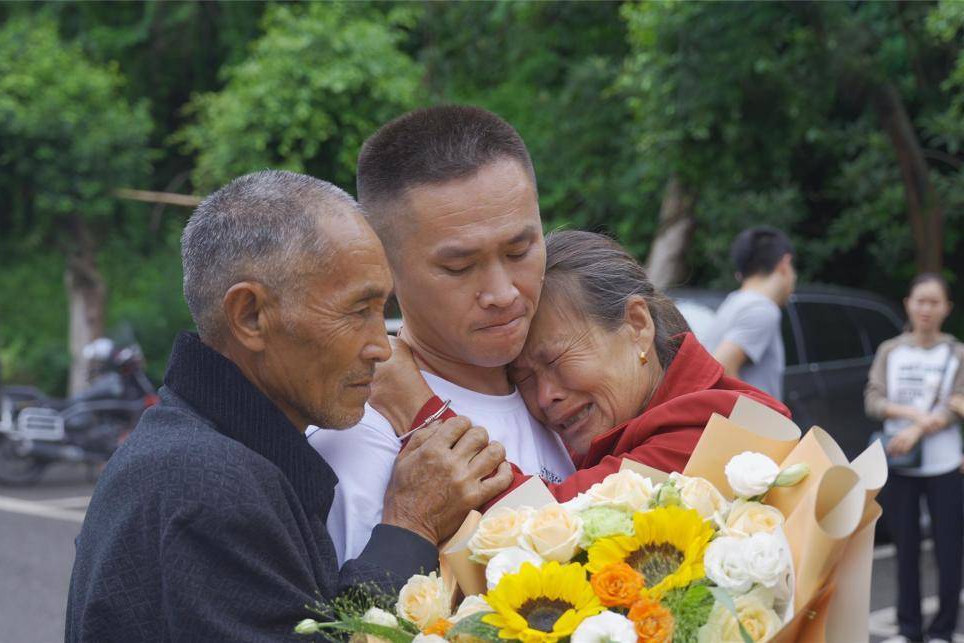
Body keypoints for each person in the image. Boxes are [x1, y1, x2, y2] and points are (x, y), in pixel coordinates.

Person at [65, 171, 512, 641]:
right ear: (250, 316)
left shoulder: (197, 450)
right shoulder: (205, 482)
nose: (382, 346)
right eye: (358, 311)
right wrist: (411, 526)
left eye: (382, 311)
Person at [308, 105, 575, 563]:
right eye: (458, 267)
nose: (502, 293)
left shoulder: (576, 388)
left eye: (520, 249)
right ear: (384, 265)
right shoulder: (363, 438)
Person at [374, 230, 791, 502]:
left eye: (554, 360)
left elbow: (545, 527)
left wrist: (418, 409)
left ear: (637, 325)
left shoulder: (710, 430)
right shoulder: (633, 422)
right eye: (522, 379)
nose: (545, 396)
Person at [865, 273, 963, 643]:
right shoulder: (891, 351)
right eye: (920, 300)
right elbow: (873, 400)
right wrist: (913, 416)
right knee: (905, 548)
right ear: (908, 303)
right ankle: (909, 629)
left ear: (947, 309)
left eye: (934, 302)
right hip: (900, 463)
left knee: (949, 548)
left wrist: (919, 430)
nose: (926, 308)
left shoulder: (956, 354)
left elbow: (957, 405)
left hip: (946, 464)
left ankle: (943, 629)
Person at [703, 226, 797, 400]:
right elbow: (721, 367)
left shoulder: (733, 302)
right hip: (750, 426)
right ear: (784, 264)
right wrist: (762, 420)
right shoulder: (761, 309)